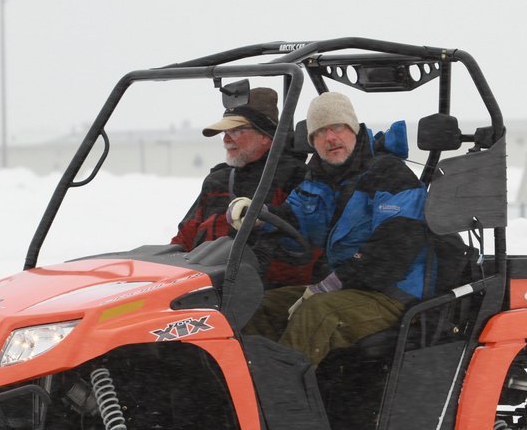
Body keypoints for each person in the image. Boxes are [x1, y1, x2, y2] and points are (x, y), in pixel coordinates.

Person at [234, 91, 430, 366]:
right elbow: (295, 219)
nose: (330, 138)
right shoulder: (319, 179)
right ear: (312, 141)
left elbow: (393, 250)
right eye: (319, 132)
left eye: (337, 127)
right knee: (259, 306)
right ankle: (247, 378)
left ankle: (282, 389)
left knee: (316, 313)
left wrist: (330, 284)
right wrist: (260, 216)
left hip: (391, 294)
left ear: (353, 129)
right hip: (344, 287)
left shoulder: (390, 175)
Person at [170, 86, 316, 287]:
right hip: (206, 285)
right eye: (225, 132)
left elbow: (303, 248)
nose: (226, 139)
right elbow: (184, 239)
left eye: (236, 131)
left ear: (264, 135)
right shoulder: (217, 180)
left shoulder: (294, 177)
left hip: (259, 290)